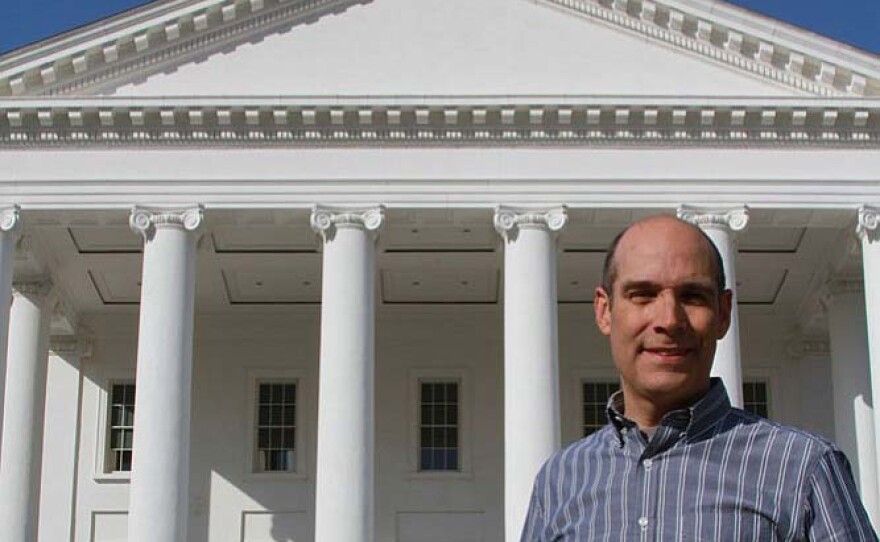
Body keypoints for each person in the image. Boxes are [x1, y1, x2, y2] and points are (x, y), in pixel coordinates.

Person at [520, 215, 877, 541]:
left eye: (692, 296)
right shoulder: (560, 480)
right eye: (642, 295)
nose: (669, 319)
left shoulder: (803, 467)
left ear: (723, 313)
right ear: (605, 310)